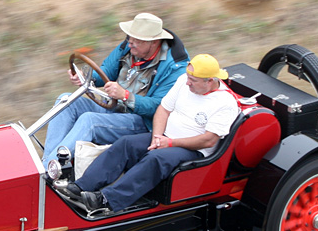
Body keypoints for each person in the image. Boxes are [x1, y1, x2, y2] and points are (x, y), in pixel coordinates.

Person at [65, 53, 240, 213]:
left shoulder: (225, 103)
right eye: (188, 77)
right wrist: (157, 137)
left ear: (209, 81)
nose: (187, 82)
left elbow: (208, 140)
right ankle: (82, 185)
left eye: (193, 80)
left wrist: (170, 143)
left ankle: (106, 199)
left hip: (193, 149)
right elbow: (163, 109)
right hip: (165, 137)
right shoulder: (183, 82)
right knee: (127, 143)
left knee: (156, 159)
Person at [41, 12, 189, 167]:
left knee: (90, 120)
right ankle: (47, 163)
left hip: (140, 121)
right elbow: (106, 71)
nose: (130, 42)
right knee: (65, 100)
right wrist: (86, 78)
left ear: (153, 42)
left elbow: (158, 106)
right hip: (112, 106)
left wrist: (125, 95)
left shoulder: (174, 68)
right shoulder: (129, 47)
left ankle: (50, 168)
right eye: (130, 37)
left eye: (137, 40)